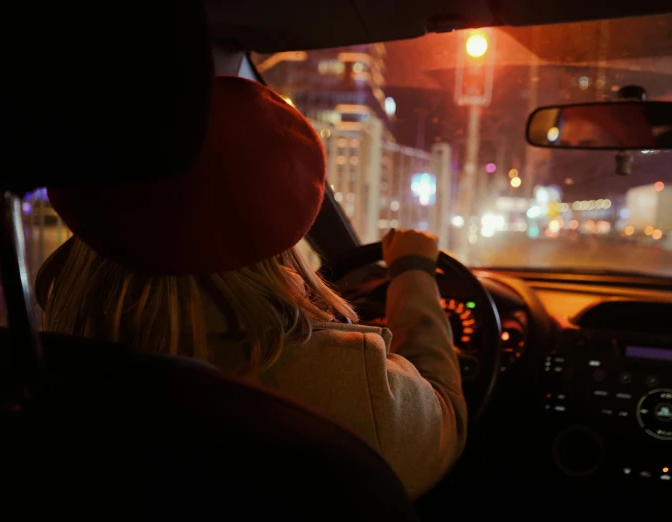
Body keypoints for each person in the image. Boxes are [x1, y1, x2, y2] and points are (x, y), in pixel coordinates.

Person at [35, 75, 466, 499]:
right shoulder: (342, 385)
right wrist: (412, 271)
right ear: (286, 229)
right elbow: (444, 421)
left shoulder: (34, 373)